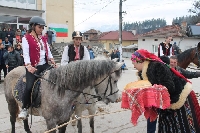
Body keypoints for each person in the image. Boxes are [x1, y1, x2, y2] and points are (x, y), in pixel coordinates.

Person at [131, 49, 200, 133]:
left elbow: (169, 86)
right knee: (166, 127)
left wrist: (149, 92)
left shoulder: (156, 66)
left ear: (139, 61)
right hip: (166, 103)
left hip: (180, 98)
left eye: (133, 63)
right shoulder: (142, 73)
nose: (133, 66)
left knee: (182, 127)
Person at [18, 16, 55, 120]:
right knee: (29, 86)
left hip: (45, 65)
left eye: (43, 28)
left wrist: (52, 60)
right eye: (40, 27)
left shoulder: (43, 38)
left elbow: (48, 51)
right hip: (33, 66)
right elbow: (25, 53)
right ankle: (24, 108)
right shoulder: (26, 38)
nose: (41, 30)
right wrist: (28, 66)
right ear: (33, 26)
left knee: (57, 79)